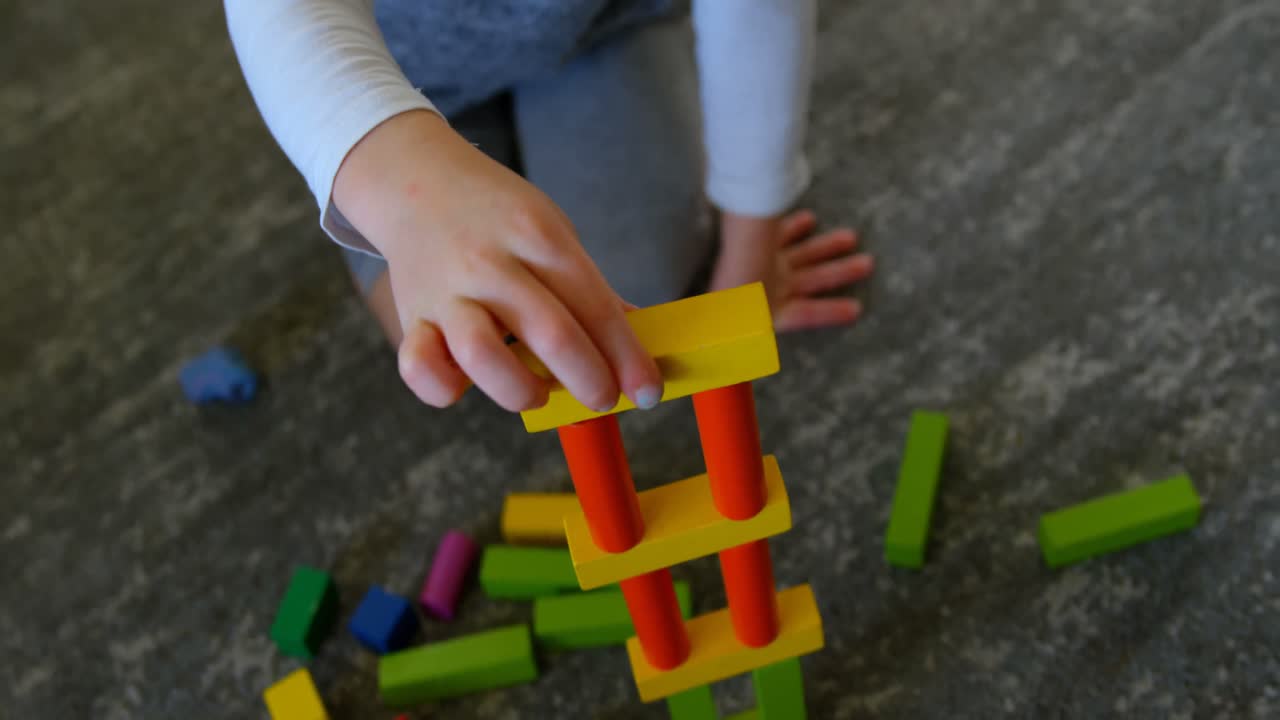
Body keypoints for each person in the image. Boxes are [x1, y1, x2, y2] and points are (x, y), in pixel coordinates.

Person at [223, 0, 873, 416]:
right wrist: (397, 186)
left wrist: (750, 243)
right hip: (387, 66)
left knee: (627, 296)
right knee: (464, 344)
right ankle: (359, 168)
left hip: (598, 27)